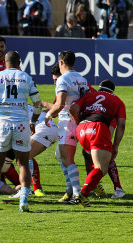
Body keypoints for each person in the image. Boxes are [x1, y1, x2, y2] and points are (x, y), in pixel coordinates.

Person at [0, 51, 42, 212]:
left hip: (2, 124)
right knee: (23, 164)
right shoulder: (27, 78)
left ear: (5, 62)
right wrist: (33, 121)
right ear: (20, 63)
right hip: (21, 124)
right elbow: (38, 104)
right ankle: (24, 201)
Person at [69, 80, 126, 207]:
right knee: (101, 168)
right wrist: (115, 146)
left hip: (82, 129)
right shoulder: (118, 101)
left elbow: (73, 108)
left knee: (89, 157)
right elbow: (121, 125)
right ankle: (81, 194)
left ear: (100, 88)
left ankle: (91, 188)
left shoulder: (88, 96)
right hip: (98, 128)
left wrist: (80, 123)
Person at [44, 50, 89, 204]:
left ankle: (77, 194)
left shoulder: (63, 79)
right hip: (80, 121)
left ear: (61, 62)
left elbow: (60, 104)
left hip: (67, 122)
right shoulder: (82, 79)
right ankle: (71, 190)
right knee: (61, 156)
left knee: (67, 158)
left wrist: (48, 114)